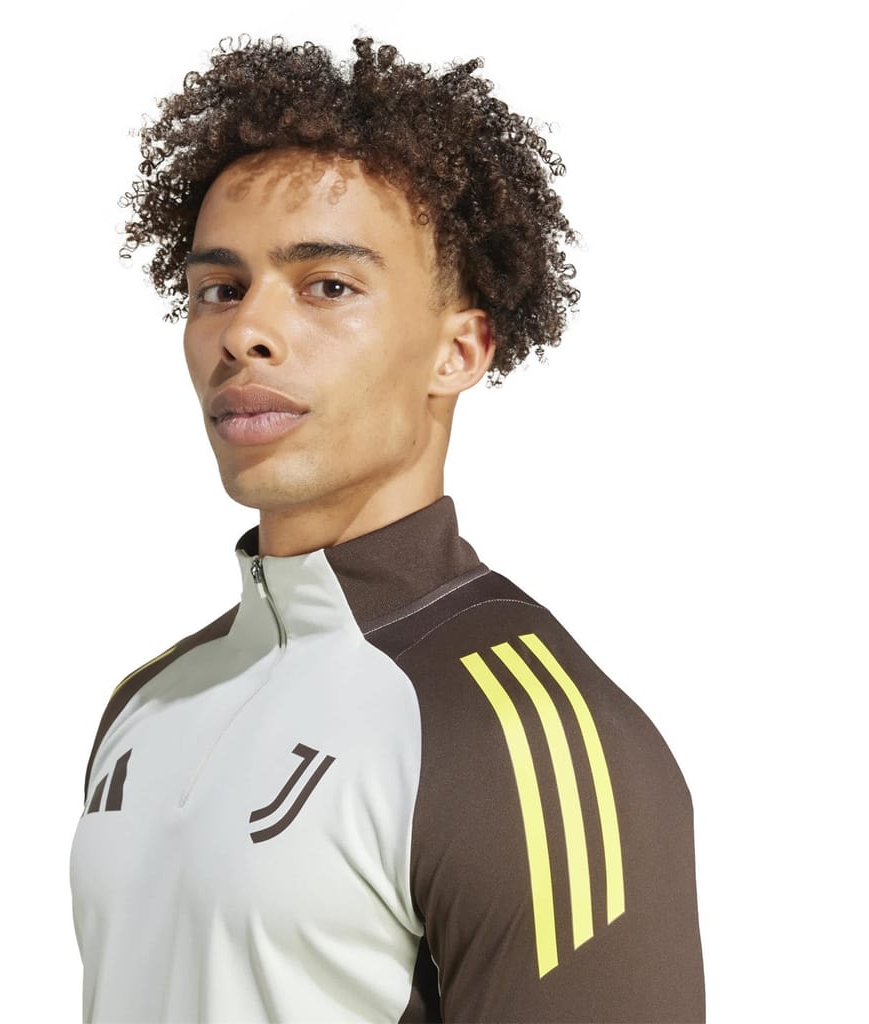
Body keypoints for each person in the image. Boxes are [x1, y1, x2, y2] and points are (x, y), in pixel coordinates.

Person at [69, 36, 705, 1023]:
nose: (245, 332)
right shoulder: (149, 702)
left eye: (327, 285)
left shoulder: (519, 736)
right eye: (218, 289)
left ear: (459, 350)